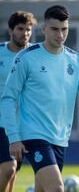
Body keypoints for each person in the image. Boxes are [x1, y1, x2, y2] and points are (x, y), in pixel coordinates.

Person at [0, 5, 79, 192]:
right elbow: (8, 98)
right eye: (55, 29)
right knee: (57, 188)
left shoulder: (74, 60)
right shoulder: (26, 58)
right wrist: (14, 137)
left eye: (64, 29)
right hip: (33, 135)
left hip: (59, 137)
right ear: (44, 29)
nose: (60, 34)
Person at [0, 11, 37, 192]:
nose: (25, 33)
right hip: (2, 122)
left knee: (12, 174)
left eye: (28, 30)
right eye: (21, 29)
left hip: (25, 123)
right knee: (9, 168)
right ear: (11, 31)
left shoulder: (36, 55)